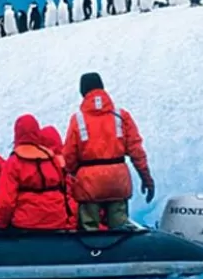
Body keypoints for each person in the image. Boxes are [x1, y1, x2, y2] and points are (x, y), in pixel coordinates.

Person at [62, 72, 154, 230]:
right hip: (118, 182)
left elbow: (69, 156)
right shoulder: (121, 116)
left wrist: (70, 179)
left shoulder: (78, 119)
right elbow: (136, 151)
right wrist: (146, 179)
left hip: (88, 184)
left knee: (89, 231)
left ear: (82, 92)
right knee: (120, 231)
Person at [0, 114, 75, 230]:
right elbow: (64, 190)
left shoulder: (13, 162)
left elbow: (6, 202)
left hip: (26, 224)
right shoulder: (51, 158)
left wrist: (1, 225)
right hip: (57, 221)